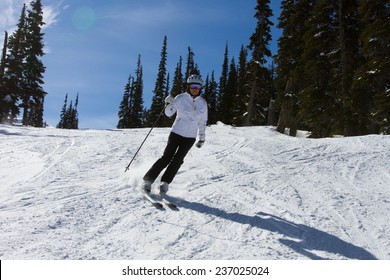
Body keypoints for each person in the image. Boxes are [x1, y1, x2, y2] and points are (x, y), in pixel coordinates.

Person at [142, 74, 208, 195]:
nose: (195, 88)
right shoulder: (181, 98)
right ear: (188, 86)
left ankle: (165, 183)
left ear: (200, 88)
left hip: (190, 137)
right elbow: (169, 113)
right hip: (176, 133)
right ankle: (148, 181)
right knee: (166, 157)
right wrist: (168, 104)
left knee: (178, 160)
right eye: (193, 86)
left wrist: (202, 137)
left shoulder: (203, 103)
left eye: (198, 86)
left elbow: (203, 122)